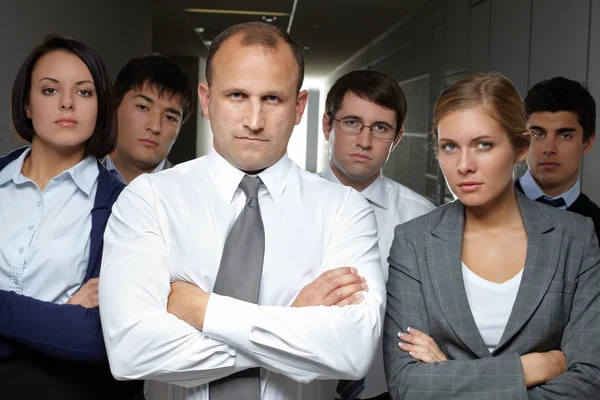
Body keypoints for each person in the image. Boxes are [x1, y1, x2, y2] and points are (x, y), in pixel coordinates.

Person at [99, 22, 385, 400]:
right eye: (236, 95)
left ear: (299, 107)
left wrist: (203, 311)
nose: (254, 120)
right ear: (205, 100)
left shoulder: (344, 211)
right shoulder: (149, 199)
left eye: (272, 99)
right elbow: (131, 352)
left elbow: (352, 350)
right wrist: (293, 325)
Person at [383, 72, 600, 399]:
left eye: (483, 145)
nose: (464, 165)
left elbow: (587, 381)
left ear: (520, 147)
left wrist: (448, 375)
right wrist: (530, 368)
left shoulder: (576, 237)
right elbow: (406, 384)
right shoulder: (414, 242)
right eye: (450, 147)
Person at [0, 35, 141, 399]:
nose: (66, 103)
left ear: (100, 107)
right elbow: (66, 329)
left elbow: (95, 337)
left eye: (83, 92)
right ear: (27, 105)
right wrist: (55, 316)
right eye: (49, 90)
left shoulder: (122, 206)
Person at [320, 69, 435, 400]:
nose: (364, 141)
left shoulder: (421, 217)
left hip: (387, 390)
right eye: (352, 122)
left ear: (397, 138)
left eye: (381, 128)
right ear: (328, 125)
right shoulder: (286, 205)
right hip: (297, 387)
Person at [516, 77, 600, 239]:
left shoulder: (596, 226)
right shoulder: (490, 209)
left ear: (588, 142)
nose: (549, 149)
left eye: (565, 135)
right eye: (538, 134)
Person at [103, 53, 194, 184]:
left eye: (170, 117)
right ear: (114, 107)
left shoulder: (190, 195)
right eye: (143, 107)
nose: (155, 127)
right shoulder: (77, 179)